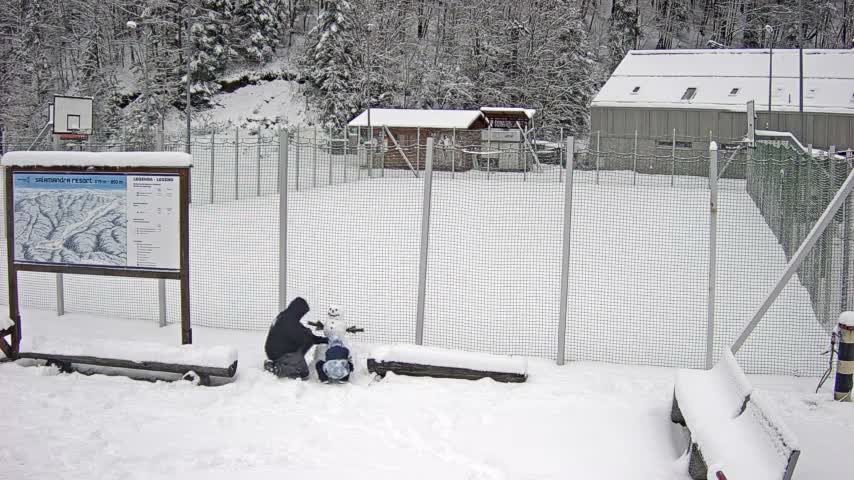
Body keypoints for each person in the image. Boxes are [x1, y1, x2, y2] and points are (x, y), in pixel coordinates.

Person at [264, 297, 328, 379]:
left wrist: (322, 340)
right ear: (299, 310)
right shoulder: (288, 320)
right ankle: (276, 368)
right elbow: (302, 337)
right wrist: (310, 336)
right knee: (302, 371)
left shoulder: (287, 316)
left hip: (276, 350)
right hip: (278, 352)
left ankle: (286, 363)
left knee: (306, 338)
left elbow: (303, 333)